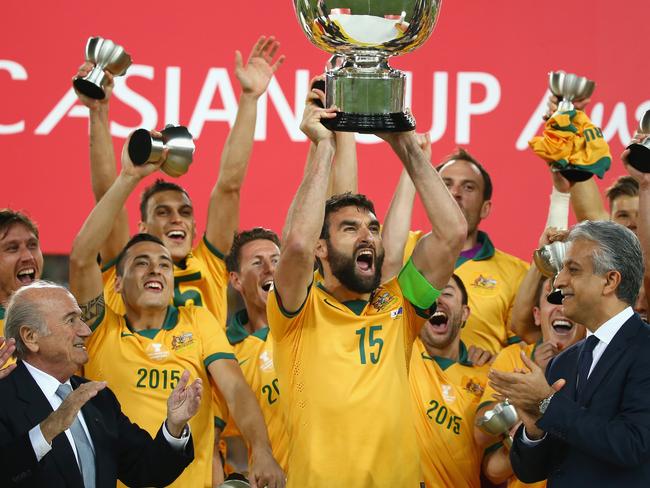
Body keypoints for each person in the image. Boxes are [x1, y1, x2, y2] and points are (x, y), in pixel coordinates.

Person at [267, 87, 467, 486]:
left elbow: (452, 234)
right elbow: (296, 244)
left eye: (373, 228)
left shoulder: (401, 305)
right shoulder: (296, 310)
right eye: (350, 228)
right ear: (322, 248)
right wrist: (323, 147)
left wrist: (405, 145)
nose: (368, 236)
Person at [68, 139, 285, 488]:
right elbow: (81, 257)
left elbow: (236, 390)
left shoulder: (198, 321)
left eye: (164, 265)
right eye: (142, 263)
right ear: (118, 283)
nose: (156, 271)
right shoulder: (99, 326)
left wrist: (260, 450)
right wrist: (127, 177)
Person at [74, 36, 285, 326]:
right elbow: (106, 194)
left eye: (185, 212)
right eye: (163, 212)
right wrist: (98, 111)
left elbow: (229, 185)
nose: (177, 219)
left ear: (195, 227)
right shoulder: (124, 261)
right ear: (143, 229)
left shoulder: (209, 264)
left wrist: (249, 99)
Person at [488, 220, 650, 486]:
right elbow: (532, 473)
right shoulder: (563, 362)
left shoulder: (645, 349)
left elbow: (633, 444)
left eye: (572, 270)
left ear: (610, 280)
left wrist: (548, 404)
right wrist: (534, 426)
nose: (558, 281)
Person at [0, 281, 200, 487]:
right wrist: (47, 429)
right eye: (71, 321)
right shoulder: (3, 397)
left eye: (82, 319)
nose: (86, 330)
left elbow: (147, 470)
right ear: (31, 337)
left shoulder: (97, 397)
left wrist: (174, 426)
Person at [383, 148, 528, 355]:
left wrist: (496, 361)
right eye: (445, 185)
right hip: (404, 382)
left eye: (468, 187)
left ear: (485, 208)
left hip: (475, 385)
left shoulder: (518, 273)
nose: (455, 193)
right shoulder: (400, 247)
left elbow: (523, 350)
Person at [477, 277, 585, 487]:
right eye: (553, 298)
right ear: (537, 315)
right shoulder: (513, 357)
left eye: (569, 297)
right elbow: (486, 451)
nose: (562, 308)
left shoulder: (598, 363)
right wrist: (533, 386)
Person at [409, 274, 489, 488]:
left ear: (464, 313)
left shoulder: (488, 377)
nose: (438, 299)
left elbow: (493, 469)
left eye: (447, 293)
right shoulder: (402, 350)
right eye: (432, 293)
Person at [220, 228, 289, 473]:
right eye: (257, 262)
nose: (270, 269)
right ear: (236, 280)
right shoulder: (224, 353)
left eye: (277, 261)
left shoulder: (310, 326)